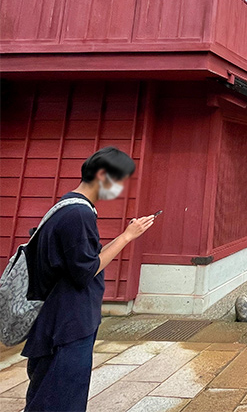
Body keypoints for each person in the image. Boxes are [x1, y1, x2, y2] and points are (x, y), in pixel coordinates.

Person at [23, 147, 155, 412]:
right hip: (68, 323)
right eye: (118, 181)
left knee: (50, 394)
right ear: (103, 175)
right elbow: (85, 270)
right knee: (61, 399)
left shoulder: (69, 205)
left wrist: (127, 235)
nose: (119, 189)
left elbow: (85, 260)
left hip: (61, 318)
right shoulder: (78, 214)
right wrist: (127, 237)